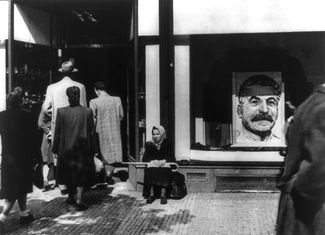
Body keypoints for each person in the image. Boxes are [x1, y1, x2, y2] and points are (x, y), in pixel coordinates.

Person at [276, 84, 325, 234]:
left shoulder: (313, 102)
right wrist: (301, 187)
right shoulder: (321, 107)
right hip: (314, 208)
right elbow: (319, 164)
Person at [42, 60, 87, 194]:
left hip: (59, 124)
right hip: (77, 125)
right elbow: (84, 107)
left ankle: (62, 184)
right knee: (76, 154)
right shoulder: (81, 86)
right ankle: (75, 184)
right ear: (73, 73)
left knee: (60, 155)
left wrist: (53, 112)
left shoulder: (52, 87)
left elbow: (45, 108)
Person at [0, 90, 40, 233]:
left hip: (8, 157)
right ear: (21, 102)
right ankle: (2, 217)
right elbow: (34, 138)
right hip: (24, 157)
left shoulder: (2, 116)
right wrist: (37, 157)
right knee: (16, 188)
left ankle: (24, 213)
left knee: (16, 186)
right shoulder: (28, 115)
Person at [52, 86, 96, 211]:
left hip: (66, 149)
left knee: (68, 172)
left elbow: (58, 132)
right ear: (79, 95)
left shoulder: (61, 112)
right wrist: (93, 149)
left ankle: (71, 196)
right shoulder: (87, 112)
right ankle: (79, 199)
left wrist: (55, 148)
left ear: (68, 97)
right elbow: (92, 132)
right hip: (82, 149)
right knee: (81, 174)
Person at [89, 81, 124, 184]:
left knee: (101, 153)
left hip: (100, 131)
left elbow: (92, 119)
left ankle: (102, 174)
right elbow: (121, 116)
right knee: (113, 153)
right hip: (115, 130)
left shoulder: (93, 102)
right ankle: (109, 173)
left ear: (97, 90)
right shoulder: (117, 99)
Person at [236, 74, 281, 142]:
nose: (264, 110)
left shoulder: (282, 143)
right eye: (255, 102)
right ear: (240, 111)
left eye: (270, 102)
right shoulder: (232, 144)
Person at [142, 125, 175, 205]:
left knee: (163, 170)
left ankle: (163, 195)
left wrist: (164, 160)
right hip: (154, 165)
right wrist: (153, 161)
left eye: (157, 134)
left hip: (164, 165)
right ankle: (151, 194)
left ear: (162, 134)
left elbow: (171, 156)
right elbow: (145, 158)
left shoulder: (168, 143)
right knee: (151, 169)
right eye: (153, 134)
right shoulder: (149, 144)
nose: (155, 136)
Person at [37, 104, 55, 191]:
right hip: (48, 136)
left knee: (49, 159)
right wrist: (49, 132)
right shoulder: (45, 107)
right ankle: (46, 181)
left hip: (50, 135)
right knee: (47, 160)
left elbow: (40, 123)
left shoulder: (45, 107)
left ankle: (49, 181)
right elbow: (40, 123)